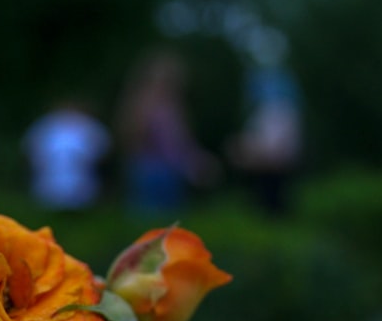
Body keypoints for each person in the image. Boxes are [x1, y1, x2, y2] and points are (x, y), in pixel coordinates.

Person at [114, 51, 220, 214]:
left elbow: (181, 144)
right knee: (149, 226)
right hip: (148, 172)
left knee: (170, 227)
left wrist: (197, 161)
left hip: (170, 174)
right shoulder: (141, 103)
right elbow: (131, 138)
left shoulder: (174, 108)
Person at [226, 65, 302, 215]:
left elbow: (279, 146)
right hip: (262, 168)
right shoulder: (261, 113)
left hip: (276, 168)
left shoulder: (283, 112)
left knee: (275, 203)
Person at [22, 101, 111, 211]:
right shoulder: (46, 125)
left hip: (81, 179)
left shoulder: (90, 126)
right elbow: (32, 148)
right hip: (50, 177)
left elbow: (102, 150)